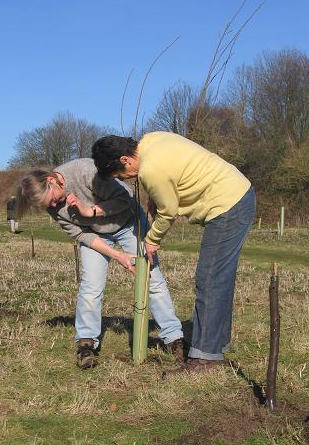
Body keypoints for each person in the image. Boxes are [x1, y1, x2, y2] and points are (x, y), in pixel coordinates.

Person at [92, 132, 256, 373]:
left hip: (228, 205)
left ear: (125, 159)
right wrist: (156, 200)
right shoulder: (152, 139)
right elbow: (176, 175)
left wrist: (151, 240)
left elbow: (168, 213)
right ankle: (216, 345)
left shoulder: (150, 170)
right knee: (218, 278)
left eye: (120, 174)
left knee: (209, 278)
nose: (126, 180)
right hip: (238, 193)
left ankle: (204, 359)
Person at [16, 158, 184, 369]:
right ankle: (86, 343)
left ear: (52, 180)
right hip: (94, 234)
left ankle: (173, 338)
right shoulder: (51, 204)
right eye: (47, 206)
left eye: (51, 201)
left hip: (128, 221)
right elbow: (80, 234)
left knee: (152, 278)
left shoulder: (85, 171)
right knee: (91, 286)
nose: (53, 206)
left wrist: (90, 211)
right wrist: (118, 255)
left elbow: (125, 198)